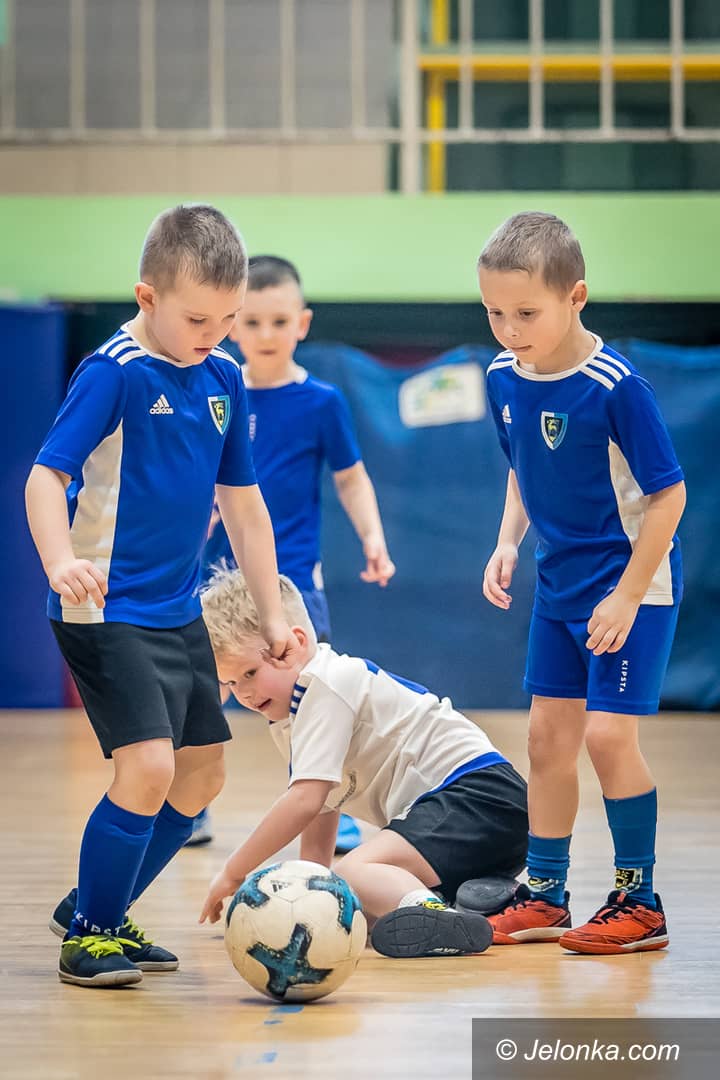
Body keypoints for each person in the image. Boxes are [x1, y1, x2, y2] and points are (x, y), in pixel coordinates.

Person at [26, 204, 299, 988]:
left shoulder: (224, 377)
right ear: (147, 298)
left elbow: (243, 505)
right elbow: (46, 476)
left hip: (178, 612)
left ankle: (100, 907)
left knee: (203, 776)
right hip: (103, 609)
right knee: (147, 768)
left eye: (228, 318)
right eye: (197, 319)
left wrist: (272, 614)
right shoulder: (113, 371)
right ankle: (89, 936)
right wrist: (58, 561)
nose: (216, 333)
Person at [478, 211, 686, 954]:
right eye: (494, 313)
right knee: (546, 739)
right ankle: (544, 893)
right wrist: (507, 541)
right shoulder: (502, 376)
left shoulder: (615, 386)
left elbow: (669, 496)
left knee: (606, 736)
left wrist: (627, 594)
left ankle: (640, 901)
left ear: (576, 297)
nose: (509, 329)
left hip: (631, 586)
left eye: (526, 313)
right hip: (559, 584)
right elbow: (521, 468)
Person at [197, 568, 529, 959]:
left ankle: (436, 914)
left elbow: (304, 800)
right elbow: (323, 809)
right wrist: (311, 897)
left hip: (476, 797)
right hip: (480, 820)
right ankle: (485, 901)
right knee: (354, 903)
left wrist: (234, 872)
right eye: (231, 683)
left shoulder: (324, 683)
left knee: (354, 872)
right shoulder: (293, 713)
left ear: (295, 643)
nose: (244, 694)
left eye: (250, 673)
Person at [186, 255, 395, 852]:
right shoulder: (216, 389)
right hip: (217, 580)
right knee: (200, 693)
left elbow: (351, 478)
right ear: (232, 325)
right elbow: (197, 477)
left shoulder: (322, 401)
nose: (266, 334)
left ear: (301, 324)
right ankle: (190, 805)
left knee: (310, 695)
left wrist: (373, 537)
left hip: (293, 577)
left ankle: (327, 803)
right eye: (252, 322)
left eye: (279, 322)